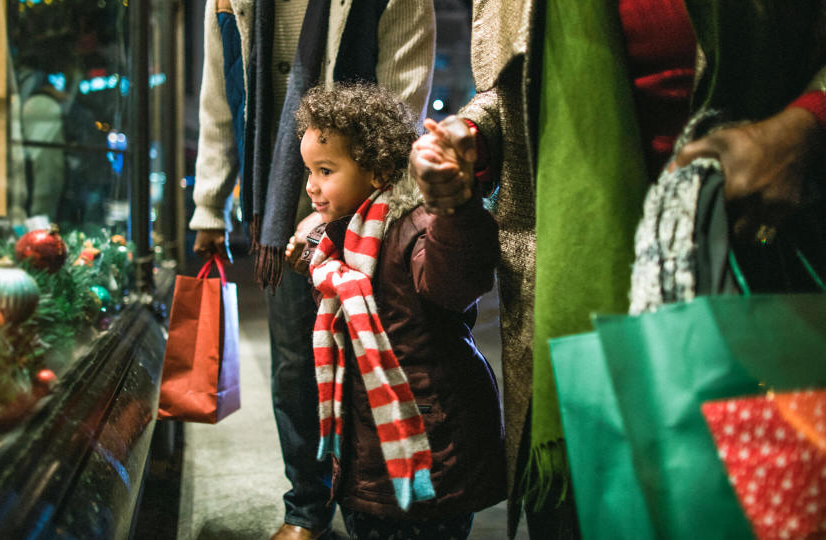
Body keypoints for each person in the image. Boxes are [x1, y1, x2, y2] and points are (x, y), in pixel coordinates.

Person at [410, 1, 826, 538]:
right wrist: (470, 132)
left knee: (759, 509)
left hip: (762, 262)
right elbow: (516, 93)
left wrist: (807, 126)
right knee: (585, 513)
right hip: (575, 299)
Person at [190, 2, 435, 539]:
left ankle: (376, 508)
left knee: (377, 360)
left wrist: (371, 208)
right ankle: (306, 507)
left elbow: (404, 101)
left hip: (367, 207)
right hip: (280, 208)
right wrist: (210, 202)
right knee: (297, 369)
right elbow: (220, 99)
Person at [289, 82, 506, 540]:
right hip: (364, 453)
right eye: (308, 169)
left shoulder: (418, 225)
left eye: (325, 170)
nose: (311, 185)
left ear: (376, 169)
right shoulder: (337, 240)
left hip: (429, 445)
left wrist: (455, 207)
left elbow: (455, 280)